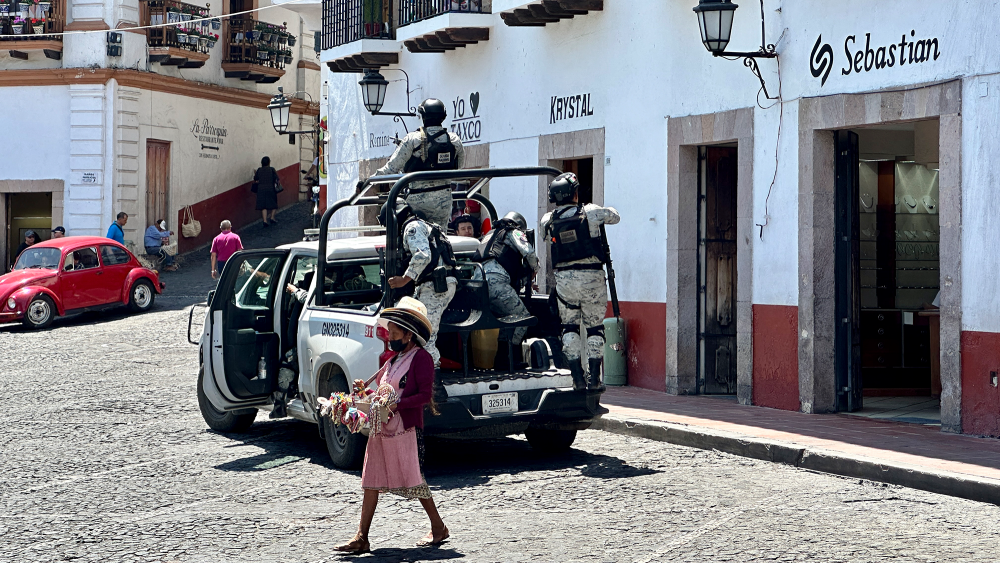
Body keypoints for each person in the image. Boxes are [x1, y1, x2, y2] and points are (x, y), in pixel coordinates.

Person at [334, 297, 448, 554]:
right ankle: (361, 537)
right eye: (390, 332)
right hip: (381, 428)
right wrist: (365, 393)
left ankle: (439, 527)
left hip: (405, 429)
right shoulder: (393, 360)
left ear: (409, 335)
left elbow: (423, 396)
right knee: (370, 479)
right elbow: (384, 392)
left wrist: (396, 406)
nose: (391, 337)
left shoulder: (421, 359)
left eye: (395, 333)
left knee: (414, 480)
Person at [540, 172, 620, 390]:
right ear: (575, 193)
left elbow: (544, 236)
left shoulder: (548, 220)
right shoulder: (591, 212)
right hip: (592, 277)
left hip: (565, 280)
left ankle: (577, 377)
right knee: (595, 328)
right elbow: (615, 216)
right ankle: (594, 379)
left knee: (569, 328)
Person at [381, 202, 457, 366]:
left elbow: (422, 256)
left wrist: (404, 280)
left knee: (426, 337)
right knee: (416, 331)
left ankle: (434, 386)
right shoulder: (422, 225)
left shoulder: (412, 227)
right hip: (432, 284)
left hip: (436, 285)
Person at [372, 99, 465, 228]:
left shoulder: (412, 139)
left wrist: (369, 180)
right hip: (444, 199)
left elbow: (391, 168)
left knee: (414, 235)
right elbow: (459, 167)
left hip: (418, 199)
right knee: (440, 239)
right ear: (443, 116)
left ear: (423, 116)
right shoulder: (454, 140)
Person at [473, 211, 538, 347]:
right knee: (524, 318)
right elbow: (529, 253)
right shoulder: (513, 232)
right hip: (496, 283)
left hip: (477, 284)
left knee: (507, 318)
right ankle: (511, 356)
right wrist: (534, 269)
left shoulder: (490, 234)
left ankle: (502, 360)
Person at [253, 156, 282, 227]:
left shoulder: (259, 170)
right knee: (274, 203)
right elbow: (277, 178)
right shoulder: (272, 169)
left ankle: (265, 220)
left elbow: (256, 179)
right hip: (270, 188)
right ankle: (272, 217)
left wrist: (255, 173)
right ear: (269, 162)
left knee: (263, 205)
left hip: (261, 189)